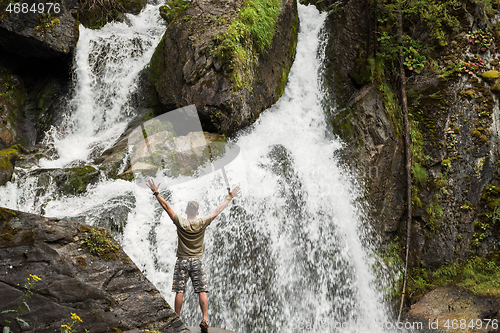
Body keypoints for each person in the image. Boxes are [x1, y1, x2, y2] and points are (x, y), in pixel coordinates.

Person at [147, 179, 240, 333]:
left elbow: (167, 207)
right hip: (197, 261)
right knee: (202, 291)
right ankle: (205, 319)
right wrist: (229, 197)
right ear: (197, 213)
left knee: (180, 291)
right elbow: (218, 210)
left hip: (182, 260)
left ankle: (177, 320)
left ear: (185, 211)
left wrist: (156, 193)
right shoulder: (202, 222)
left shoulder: (180, 222)